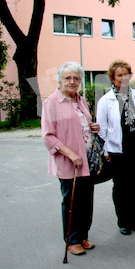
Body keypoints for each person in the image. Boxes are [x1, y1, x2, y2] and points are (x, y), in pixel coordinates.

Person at [42, 61, 100, 256]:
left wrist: (94, 127)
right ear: (60, 80)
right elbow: (48, 136)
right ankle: (72, 239)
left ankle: (83, 235)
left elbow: (83, 123)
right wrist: (70, 153)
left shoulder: (80, 100)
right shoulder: (52, 103)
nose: (72, 81)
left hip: (87, 160)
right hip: (69, 163)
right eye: (68, 78)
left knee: (86, 202)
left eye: (76, 78)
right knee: (72, 202)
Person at [97, 60, 135, 236]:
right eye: (119, 75)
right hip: (117, 150)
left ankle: (133, 219)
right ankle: (123, 221)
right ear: (112, 78)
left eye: (126, 74)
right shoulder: (105, 100)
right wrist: (105, 151)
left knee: (134, 185)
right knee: (120, 186)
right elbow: (102, 129)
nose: (123, 78)